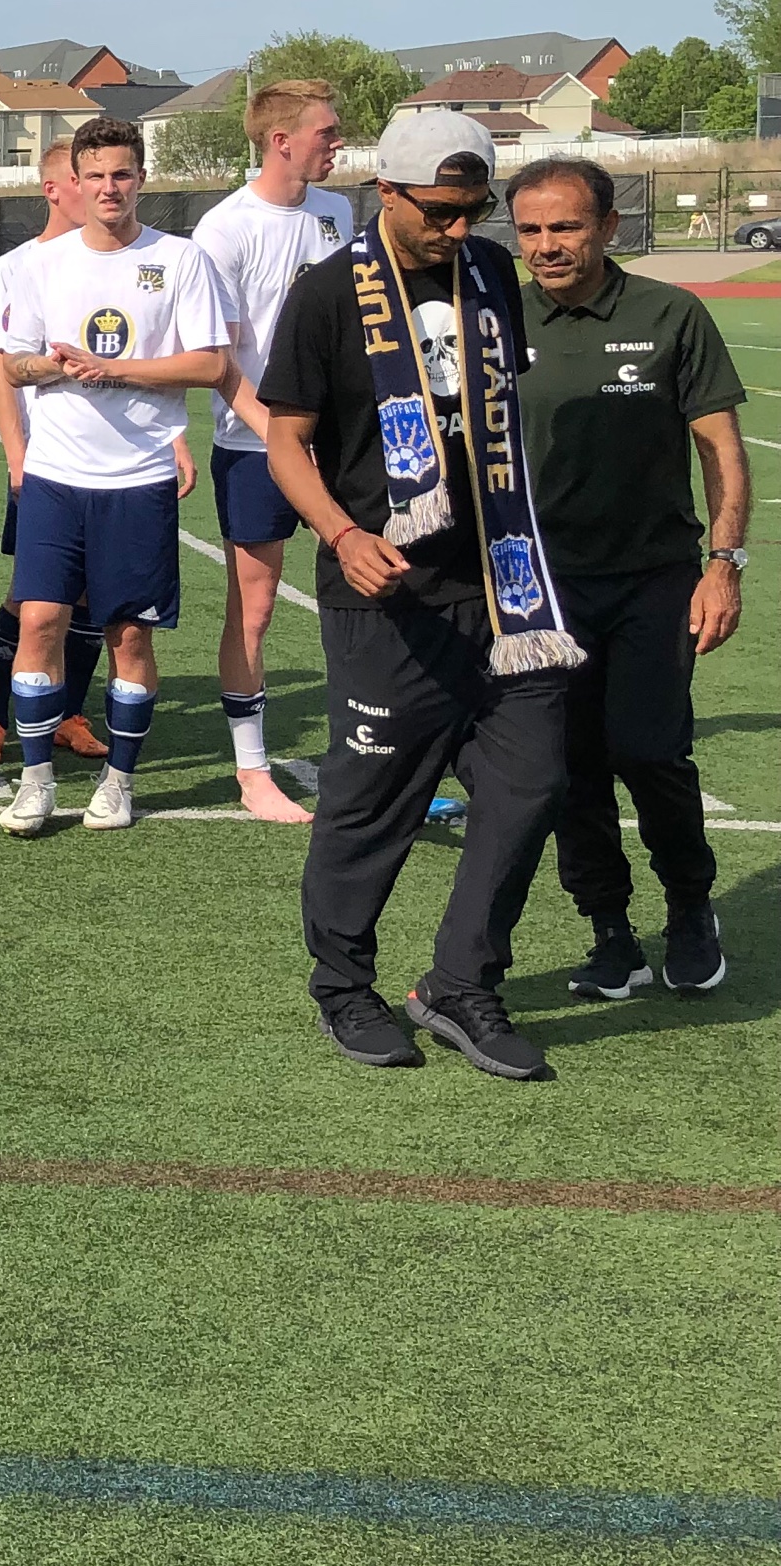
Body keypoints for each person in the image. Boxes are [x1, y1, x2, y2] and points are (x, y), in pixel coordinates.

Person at [261, 108, 580, 1080]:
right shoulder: (324, 296)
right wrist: (343, 532)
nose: (457, 228)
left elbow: (496, 422)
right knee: (370, 809)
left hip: (501, 593)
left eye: (472, 208)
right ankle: (342, 987)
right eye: (440, 210)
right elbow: (286, 440)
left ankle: (459, 983)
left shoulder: (490, 279)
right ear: (385, 193)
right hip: (386, 597)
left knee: (529, 787)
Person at [508, 157, 747, 999]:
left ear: (609, 227)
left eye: (565, 226)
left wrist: (723, 566)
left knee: (650, 751)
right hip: (540, 588)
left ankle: (690, 906)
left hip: (654, 579)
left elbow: (720, 449)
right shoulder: (491, 319)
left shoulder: (670, 312)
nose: (547, 245)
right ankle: (610, 929)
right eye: (531, 229)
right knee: (569, 768)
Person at [0, 118, 231, 835]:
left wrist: (115, 369)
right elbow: (13, 364)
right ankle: (35, 782)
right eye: (95, 176)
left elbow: (210, 364)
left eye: (121, 174)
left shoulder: (180, 260)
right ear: (76, 182)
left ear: (141, 178)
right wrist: (55, 367)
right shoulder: (42, 264)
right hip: (56, 477)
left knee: (129, 637)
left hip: (138, 479)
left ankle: (117, 781)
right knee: (40, 620)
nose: (109, 189)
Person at [192, 78, 357, 822]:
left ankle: (376, 753)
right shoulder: (224, 230)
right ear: (280, 141)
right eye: (327, 132)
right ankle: (252, 771)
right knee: (253, 610)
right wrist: (288, 444)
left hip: (342, 444)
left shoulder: (339, 212)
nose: (338, 142)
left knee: (365, 597)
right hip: (255, 446)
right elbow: (222, 365)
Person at [0, 143, 114, 782]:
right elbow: (3, 369)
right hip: (45, 461)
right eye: (83, 181)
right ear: (55, 188)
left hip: (107, 460)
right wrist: (17, 458)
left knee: (85, 594)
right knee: (33, 596)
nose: (100, 191)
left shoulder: (112, 259)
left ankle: (69, 713)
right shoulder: (16, 267)